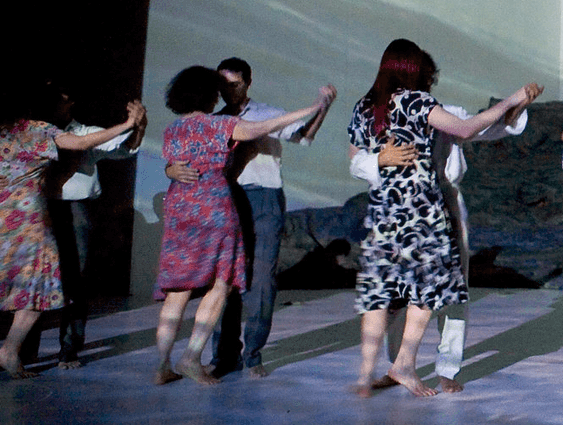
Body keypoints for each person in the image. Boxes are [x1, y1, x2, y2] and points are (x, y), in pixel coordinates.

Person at [348, 39, 541, 398]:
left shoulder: (372, 106)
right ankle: (400, 364)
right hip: (420, 207)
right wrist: (511, 99)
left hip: (402, 206)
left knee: (409, 290)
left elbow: (484, 128)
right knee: (424, 289)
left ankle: (410, 369)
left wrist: (515, 107)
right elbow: (467, 128)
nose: (430, 80)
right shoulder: (412, 103)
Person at [155, 67, 330, 386]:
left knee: (179, 290)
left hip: (181, 207)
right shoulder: (220, 124)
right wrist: (313, 106)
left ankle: (163, 365)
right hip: (213, 205)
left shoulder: (173, 129)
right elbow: (264, 127)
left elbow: (176, 162)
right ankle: (192, 357)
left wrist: (170, 171)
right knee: (221, 282)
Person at [2, 86, 144, 379]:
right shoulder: (36, 130)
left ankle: (61, 348)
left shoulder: (12, 131)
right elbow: (79, 145)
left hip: (36, 211)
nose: (61, 101)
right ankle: (16, 350)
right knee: (33, 283)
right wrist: (129, 123)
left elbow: (115, 148)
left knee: (66, 280)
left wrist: (135, 129)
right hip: (30, 214)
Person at [45, 82, 146, 368]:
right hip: (40, 209)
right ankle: (22, 349)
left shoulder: (87, 132)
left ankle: (69, 347)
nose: (55, 103)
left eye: (61, 98)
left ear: (70, 102)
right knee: (34, 277)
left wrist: (138, 128)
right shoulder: (36, 131)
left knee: (76, 278)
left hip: (77, 209)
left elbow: (124, 149)